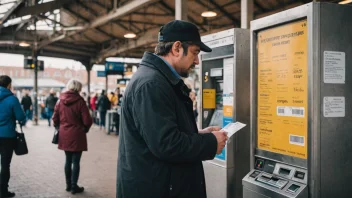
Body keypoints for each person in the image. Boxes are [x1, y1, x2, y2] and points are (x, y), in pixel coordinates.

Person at [116, 20, 228, 198]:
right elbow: (167, 144)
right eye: (195, 52)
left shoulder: (158, 80)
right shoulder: (152, 84)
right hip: (157, 189)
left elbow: (160, 134)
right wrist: (210, 143)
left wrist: (197, 134)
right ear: (176, 48)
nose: (197, 61)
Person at [52, 79, 93, 195]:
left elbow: (55, 118)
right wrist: (85, 128)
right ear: (78, 88)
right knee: (76, 161)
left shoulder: (60, 101)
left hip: (64, 134)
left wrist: (60, 127)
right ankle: (74, 187)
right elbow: (87, 120)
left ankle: (68, 185)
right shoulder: (80, 102)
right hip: (77, 134)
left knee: (68, 160)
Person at [0, 75, 26, 198]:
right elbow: (21, 117)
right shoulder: (12, 99)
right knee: (5, 164)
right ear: (9, 85)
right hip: (7, 136)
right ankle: (3, 191)